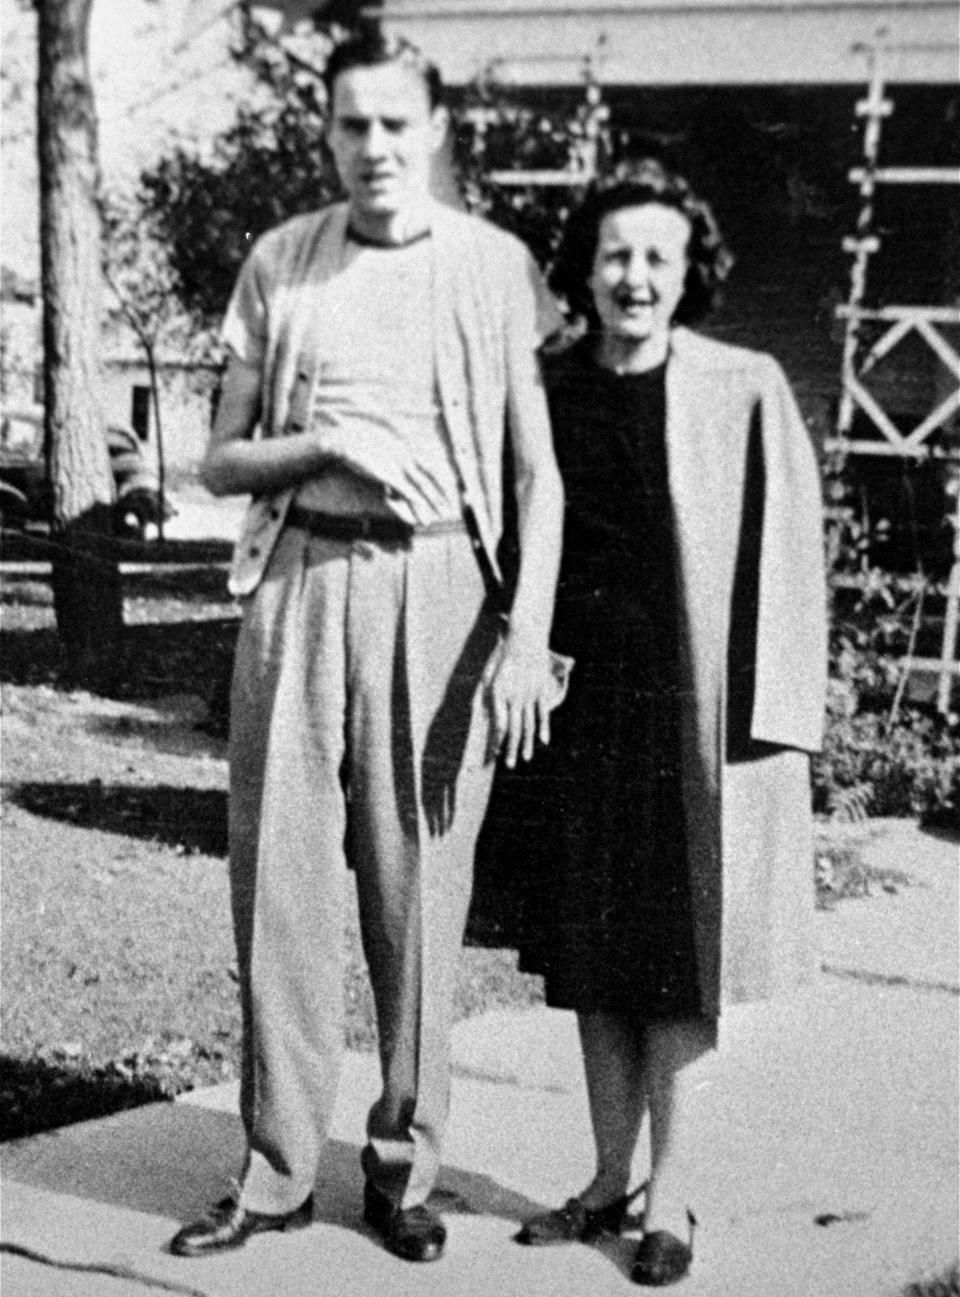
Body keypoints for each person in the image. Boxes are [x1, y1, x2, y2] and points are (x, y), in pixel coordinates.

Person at [169, 26, 564, 1265]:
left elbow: (538, 478)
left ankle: (404, 1165)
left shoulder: (494, 268)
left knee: (419, 890)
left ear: (436, 129)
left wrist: (523, 638)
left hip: (441, 583)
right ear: (327, 133)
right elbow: (219, 457)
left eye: (397, 124)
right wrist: (326, 448)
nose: (375, 148)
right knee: (277, 882)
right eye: (352, 125)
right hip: (298, 579)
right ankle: (278, 1167)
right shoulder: (282, 263)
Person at [510, 159, 827, 1286]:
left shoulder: (743, 384)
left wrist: (781, 726)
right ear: (582, 271)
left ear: (688, 271)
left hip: (693, 715)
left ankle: (674, 1197)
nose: (634, 277)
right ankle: (606, 1178)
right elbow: (513, 535)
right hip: (574, 705)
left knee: (678, 964)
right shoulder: (548, 384)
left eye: (657, 256)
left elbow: (790, 564)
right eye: (615, 256)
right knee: (592, 959)